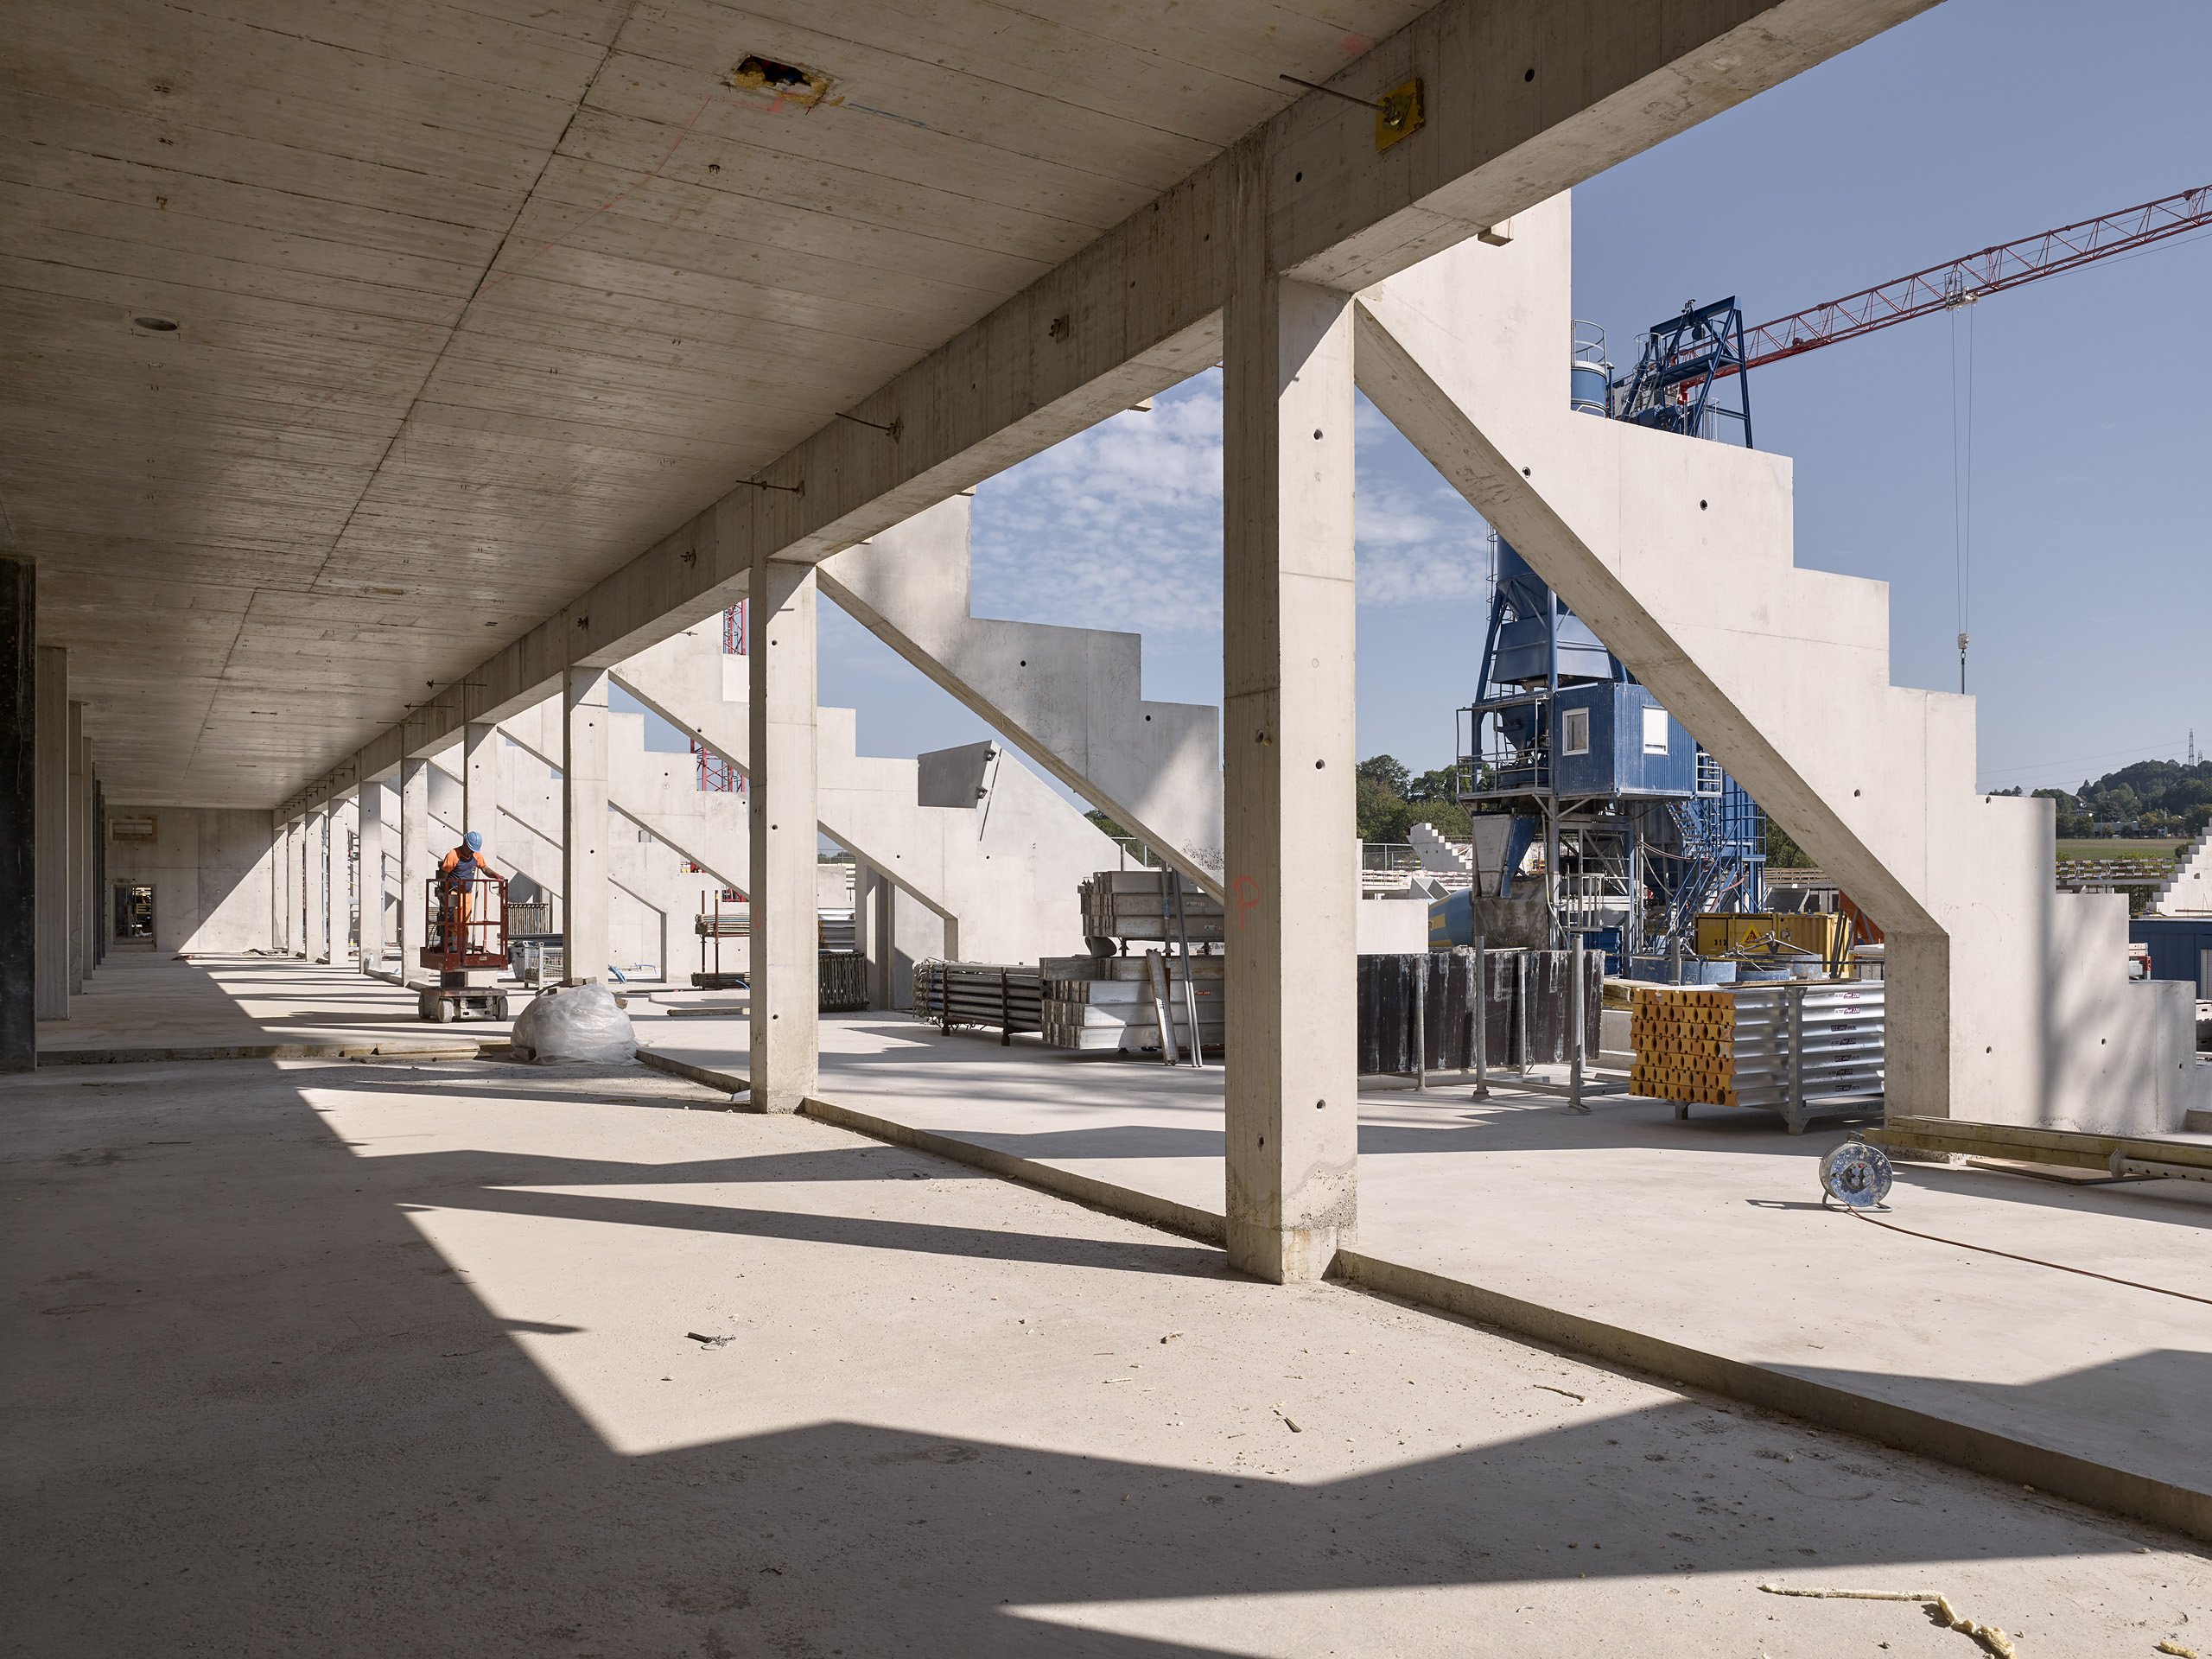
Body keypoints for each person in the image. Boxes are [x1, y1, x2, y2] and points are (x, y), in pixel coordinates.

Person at [436, 831, 495, 952]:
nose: (471, 852)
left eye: (473, 849)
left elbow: (484, 868)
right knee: (453, 924)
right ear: (464, 843)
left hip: (467, 895)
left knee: (465, 924)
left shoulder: (476, 856)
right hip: (453, 894)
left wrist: (495, 875)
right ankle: (452, 950)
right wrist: (444, 893)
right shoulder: (453, 855)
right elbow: (443, 875)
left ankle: (462, 949)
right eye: (470, 849)